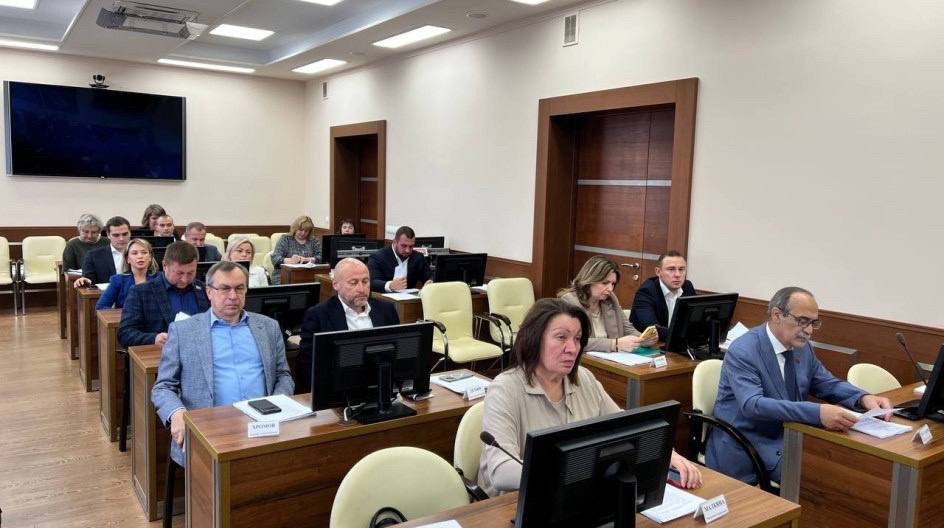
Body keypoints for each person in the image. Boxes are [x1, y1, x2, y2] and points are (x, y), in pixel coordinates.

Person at [478, 298, 701, 497]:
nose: (572, 348)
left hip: (574, 495)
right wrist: (576, 470)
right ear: (534, 339)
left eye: (577, 339)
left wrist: (667, 453)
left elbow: (626, 426)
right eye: (561, 337)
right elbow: (501, 471)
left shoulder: (583, 378)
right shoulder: (505, 389)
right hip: (515, 502)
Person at [706, 287, 892, 484]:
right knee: (825, 479)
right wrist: (817, 413)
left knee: (848, 468)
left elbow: (825, 382)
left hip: (791, 434)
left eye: (813, 323)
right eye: (802, 321)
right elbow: (753, 405)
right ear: (777, 315)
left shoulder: (802, 348)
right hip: (749, 442)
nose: (809, 330)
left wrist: (863, 398)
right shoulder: (744, 350)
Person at [151, 260, 294, 467]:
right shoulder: (183, 331)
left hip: (264, 425)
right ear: (209, 292)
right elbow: (163, 386)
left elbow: (283, 375)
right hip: (209, 430)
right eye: (225, 289)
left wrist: (277, 405)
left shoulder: (268, 327)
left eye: (239, 288)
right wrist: (177, 413)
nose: (233, 296)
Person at [296, 258, 399, 393]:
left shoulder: (387, 310)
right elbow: (308, 365)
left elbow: (397, 356)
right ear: (336, 285)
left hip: (380, 388)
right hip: (338, 392)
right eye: (353, 283)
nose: (361, 289)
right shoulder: (318, 315)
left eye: (365, 281)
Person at [117, 241, 210, 347]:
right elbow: (125, 334)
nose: (184, 279)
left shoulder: (204, 290)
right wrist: (154, 338)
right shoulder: (140, 292)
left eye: (190, 273)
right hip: (159, 354)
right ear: (165, 265)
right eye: (179, 273)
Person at [558, 256, 656, 352]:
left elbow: (627, 328)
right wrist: (614, 344)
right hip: (583, 359)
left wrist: (643, 339)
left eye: (613, 284)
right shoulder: (570, 301)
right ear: (589, 280)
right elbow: (575, 341)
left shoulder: (611, 299)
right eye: (605, 283)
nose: (610, 289)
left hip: (610, 358)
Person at [630, 251, 697, 341]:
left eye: (681, 269)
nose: (677, 275)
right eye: (671, 269)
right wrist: (685, 335)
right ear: (658, 272)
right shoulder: (646, 292)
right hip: (648, 344)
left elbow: (695, 321)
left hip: (676, 343)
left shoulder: (687, 287)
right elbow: (652, 329)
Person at [96, 238, 159, 309]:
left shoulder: (160, 278)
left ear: (150, 257)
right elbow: (101, 307)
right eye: (134, 253)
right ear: (127, 259)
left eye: (144, 252)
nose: (140, 256)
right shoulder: (118, 280)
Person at [367, 226, 432, 293]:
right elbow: (372, 282)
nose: (407, 250)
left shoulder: (418, 257)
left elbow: (429, 277)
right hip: (384, 297)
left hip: (410, 297)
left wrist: (429, 282)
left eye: (411, 246)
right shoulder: (377, 257)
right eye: (404, 246)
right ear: (395, 242)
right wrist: (390, 285)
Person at [74, 216, 132, 287]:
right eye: (116, 235)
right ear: (108, 235)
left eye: (125, 234)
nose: (121, 239)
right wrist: (84, 280)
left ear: (130, 233)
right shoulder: (93, 256)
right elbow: (88, 280)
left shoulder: (141, 253)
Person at [270, 215, 322, 282]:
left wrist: (307, 259)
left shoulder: (313, 240)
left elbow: (322, 257)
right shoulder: (286, 239)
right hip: (284, 276)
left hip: (308, 275)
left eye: (306, 231)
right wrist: (289, 260)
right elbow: (275, 258)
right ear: (295, 228)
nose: (303, 233)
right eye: (300, 230)